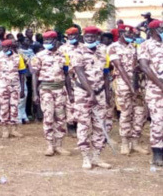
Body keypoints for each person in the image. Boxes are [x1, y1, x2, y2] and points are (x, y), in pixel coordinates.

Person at [71, 26, 112, 169]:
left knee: (100, 125)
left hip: (100, 92)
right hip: (83, 93)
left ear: (97, 38)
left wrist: (107, 94)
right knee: (84, 124)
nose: (90, 39)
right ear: (83, 37)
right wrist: (91, 92)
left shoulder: (102, 50)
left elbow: (106, 73)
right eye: (87, 37)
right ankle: (85, 157)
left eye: (92, 37)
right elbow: (80, 73)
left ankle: (96, 156)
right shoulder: (77, 51)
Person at [108, 25, 148, 156]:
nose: (131, 36)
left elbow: (138, 66)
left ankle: (135, 142)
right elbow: (119, 67)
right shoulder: (113, 47)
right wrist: (131, 86)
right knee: (126, 112)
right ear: (121, 33)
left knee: (140, 113)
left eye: (132, 34)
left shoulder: (133, 47)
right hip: (123, 84)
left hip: (138, 84)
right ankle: (125, 142)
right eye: (129, 34)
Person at [31, 31, 72, 156]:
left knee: (60, 117)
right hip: (46, 89)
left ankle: (59, 145)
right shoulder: (39, 56)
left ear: (56, 41)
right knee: (48, 117)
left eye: (50, 41)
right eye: (45, 41)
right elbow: (34, 75)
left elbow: (67, 75)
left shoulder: (63, 56)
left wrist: (70, 93)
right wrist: (35, 93)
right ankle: (49, 145)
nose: (47, 43)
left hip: (60, 90)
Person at [137, 19, 163, 166]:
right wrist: (161, 85)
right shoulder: (145, 45)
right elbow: (145, 68)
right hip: (156, 89)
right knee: (158, 121)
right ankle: (157, 153)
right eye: (160, 29)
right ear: (152, 31)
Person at [0, 39, 27, 138]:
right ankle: (5, 129)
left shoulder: (18, 57)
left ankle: (14, 129)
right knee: (3, 107)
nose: (4, 49)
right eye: (3, 47)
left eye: (6, 47)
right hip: (3, 86)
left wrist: (21, 89)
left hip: (15, 86)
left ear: (11, 47)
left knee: (14, 107)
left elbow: (22, 74)